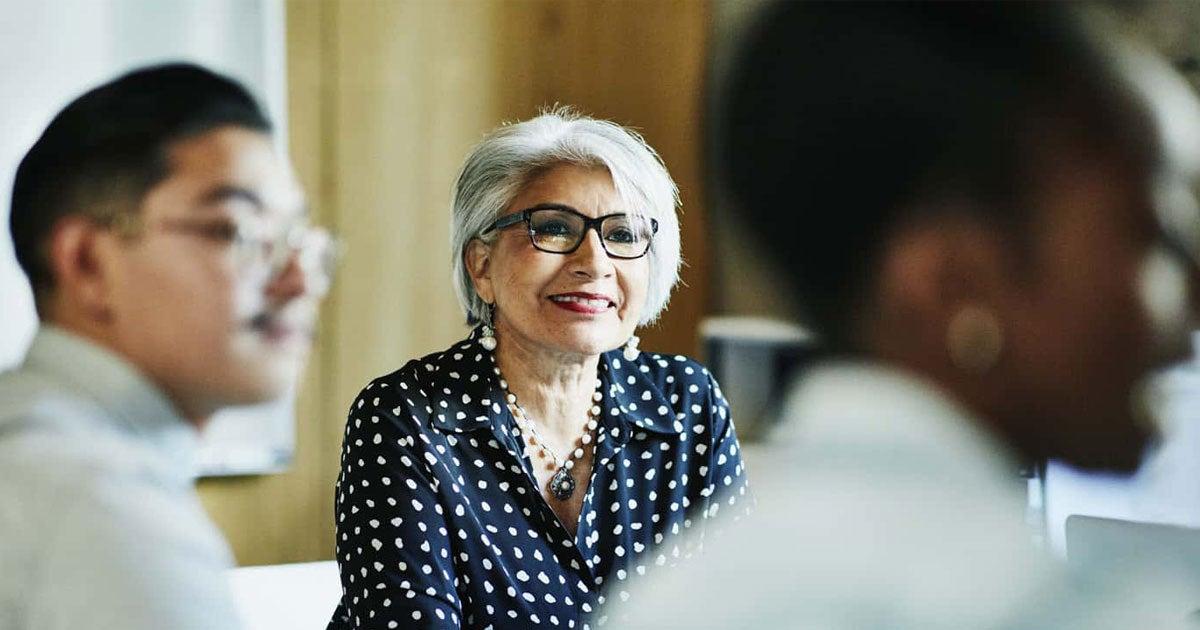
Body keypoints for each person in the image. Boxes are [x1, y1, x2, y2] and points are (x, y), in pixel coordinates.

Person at [619, 2, 1200, 628]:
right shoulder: (1049, 610)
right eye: (1157, 239)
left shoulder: (678, 597)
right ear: (955, 286)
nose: (1194, 300)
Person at [327, 110, 750, 629]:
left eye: (623, 234)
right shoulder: (407, 419)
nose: (595, 263)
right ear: (481, 265)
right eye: (554, 228)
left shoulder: (687, 404)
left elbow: (746, 608)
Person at [0, 63, 334, 629]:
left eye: (297, 239)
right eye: (239, 231)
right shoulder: (102, 507)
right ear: (87, 262)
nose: (299, 281)